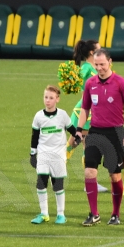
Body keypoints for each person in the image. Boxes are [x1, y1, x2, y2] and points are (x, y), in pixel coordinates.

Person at [74, 49, 124, 226]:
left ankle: (115, 214)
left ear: (110, 62)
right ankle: (94, 213)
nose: (99, 68)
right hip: (95, 132)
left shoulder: (122, 83)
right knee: (89, 171)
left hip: (115, 133)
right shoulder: (90, 83)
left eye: (102, 64)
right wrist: (79, 129)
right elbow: (85, 108)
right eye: (96, 65)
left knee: (114, 176)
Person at [30, 85, 77, 225]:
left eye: (51, 98)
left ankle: (60, 214)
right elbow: (35, 136)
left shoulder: (62, 115)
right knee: (41, 182)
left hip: (58, 153)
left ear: (57, 99)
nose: (48, 100)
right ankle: (44, 213)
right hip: (43, 153)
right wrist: (33, 154)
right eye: (46, 97)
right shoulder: (38, 116)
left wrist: (78, 136)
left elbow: (71, 129)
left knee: (58, 184)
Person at [67, 40, 109, 194]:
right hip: (84, 111)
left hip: (93, 111)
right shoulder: (85, 68)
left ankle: (90, 182)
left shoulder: (95, 67)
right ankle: (56, 171)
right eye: (98, 48)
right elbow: (75, 79)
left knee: (84, 145)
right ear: (92, 52)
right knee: (78, 143)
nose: (102, 49)